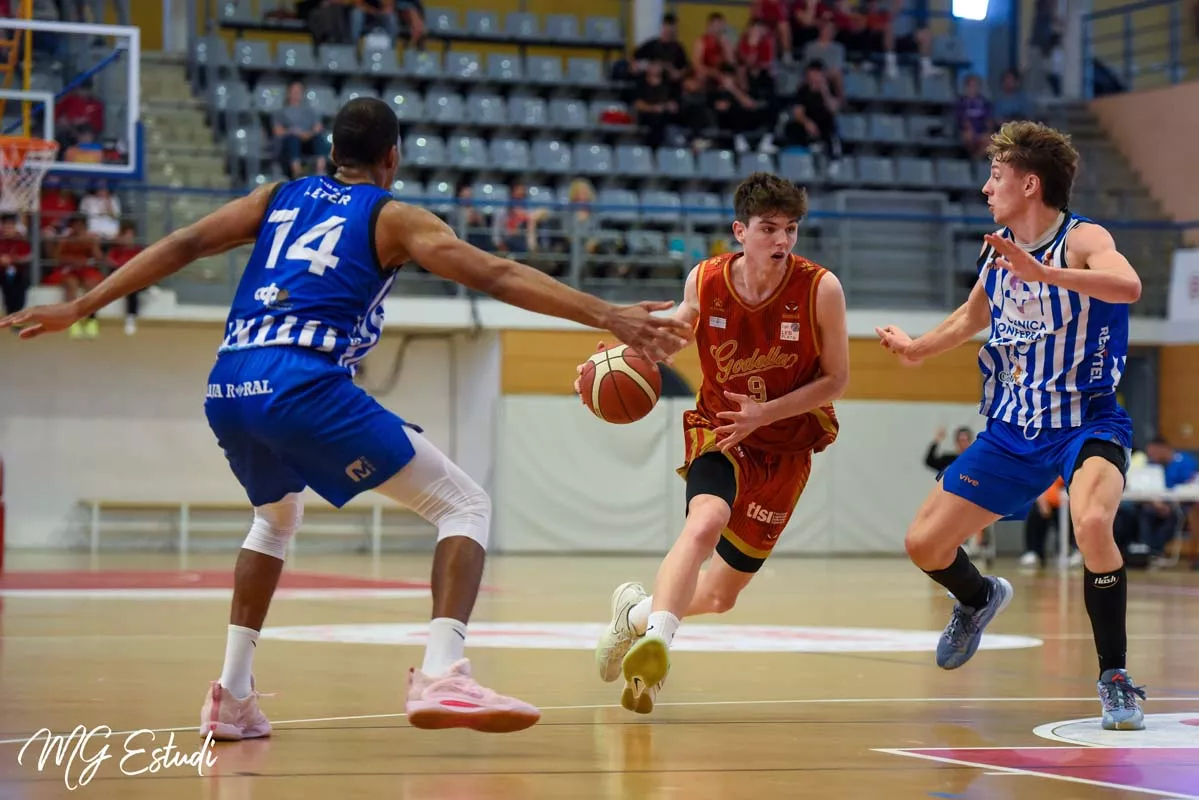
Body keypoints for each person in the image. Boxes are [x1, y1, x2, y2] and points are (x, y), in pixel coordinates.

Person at [0, 97, 692, 738]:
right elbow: (496, 274)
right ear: (392, 157)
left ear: (332, 151)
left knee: (274, 519)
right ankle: (443, 673)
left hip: (229, 381)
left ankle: (232, 695)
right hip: (301, 380)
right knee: (463, 505)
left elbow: (184, 243)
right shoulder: (392, 217)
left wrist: (80, 305)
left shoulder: (276, 196)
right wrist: (607, 314)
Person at [875, 120, 1147, 731]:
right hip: (1012, 427)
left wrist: (1045, 273)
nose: (985, 187)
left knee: (1092, 523)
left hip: (1086, 422)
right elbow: (972, 316)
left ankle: (1115, 678)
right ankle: (978, 598)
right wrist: (917, 348)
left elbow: (1128, 285)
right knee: (924, 544)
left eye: (995, 175)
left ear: (1030, 184)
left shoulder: (1082, 238)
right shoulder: (996, 251)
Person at [579, 172, 849, 714]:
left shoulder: (820, 289)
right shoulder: (705, 280)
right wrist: (606, 364)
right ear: (740, 231)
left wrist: (766, 413)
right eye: (769, 228)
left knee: (722, 596)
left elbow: (836, 380)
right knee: (704, 521)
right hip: (720, 427)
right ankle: (658, 645)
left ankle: (635, 615)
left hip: (785, 444)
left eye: (791, 229)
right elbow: (674, 334)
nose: (782, 240)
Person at [924, 425, 992, 565]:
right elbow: (930, 461)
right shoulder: (950, 459)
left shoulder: (977, 460)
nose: (963, 443)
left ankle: (982, 547)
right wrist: (937, 440)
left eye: (966, 440)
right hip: (952, 500)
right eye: (961, 440)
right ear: (956, 442)